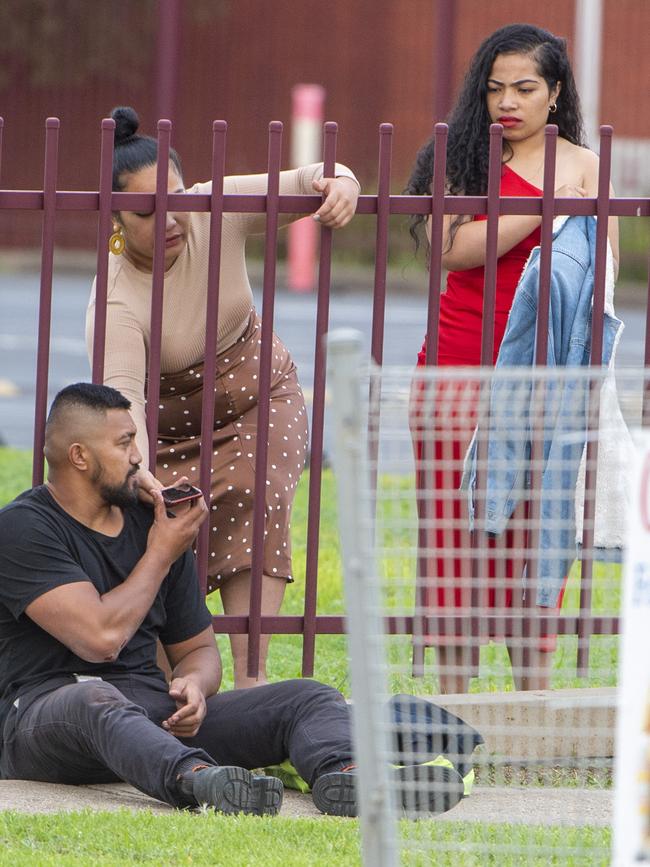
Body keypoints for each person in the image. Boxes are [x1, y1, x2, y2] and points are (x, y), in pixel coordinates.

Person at [0, 383, 473, 817]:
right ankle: (199, 780)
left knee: (309, 697)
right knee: (95, 698)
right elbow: (100, 639)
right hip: (46, 716)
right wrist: (163, 552)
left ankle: (345, 777)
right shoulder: (24, 529)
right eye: (124, 443)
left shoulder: (155, 525)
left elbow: (199, 652)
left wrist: (193, 686)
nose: (138, 457)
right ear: (80, 456)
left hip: (153, 716)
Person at [86, 106, 360, 689]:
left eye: (177, 201)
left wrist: (342, 184)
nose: (170, 221)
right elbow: (125, 400)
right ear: (114, 218)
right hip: (164, 429)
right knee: (149, 524)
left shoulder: (216, 206)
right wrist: (142, 474)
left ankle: (254, 680)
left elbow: (308, 178)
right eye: (145, 211)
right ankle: (168, 685)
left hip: (260, 394)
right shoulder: (113, 300)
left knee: (255, 488)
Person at [406, 23, 619, 693]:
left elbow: (599, 271)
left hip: (543, 373)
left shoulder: (585, 162)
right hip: (457, 365)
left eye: (525, 88)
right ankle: (454, 701)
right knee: (453, 534)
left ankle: (534, 701)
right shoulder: (463, 156)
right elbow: (454, 249)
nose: (509, 102)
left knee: (536, 525)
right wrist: (544, 201)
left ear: (554, 94)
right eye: (496, 88)